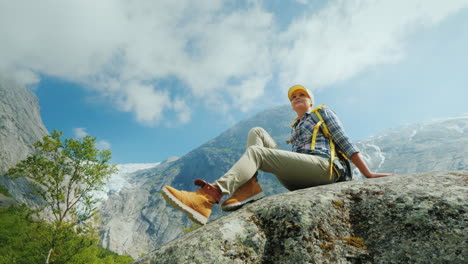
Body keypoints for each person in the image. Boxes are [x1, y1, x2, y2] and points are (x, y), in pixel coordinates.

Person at [161, 85, 394, 225]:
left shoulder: (322, 112)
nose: (297, 98)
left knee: (256, 152)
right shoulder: (295, 126)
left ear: (310, 100)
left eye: (302, 95)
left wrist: (368, 174)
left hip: (326, 169)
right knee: (257, 132)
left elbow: (344, 141)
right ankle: (249, 187)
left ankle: (208, 198)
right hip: (302, 178)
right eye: (293, 97)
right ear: (292, 105)